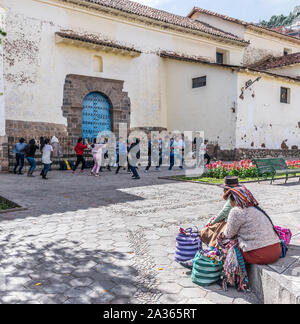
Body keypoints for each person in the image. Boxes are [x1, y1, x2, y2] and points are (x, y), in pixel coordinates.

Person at [222, 186, 281, 265]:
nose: (230, 203)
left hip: (259, 255)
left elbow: (228, 234)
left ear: (234, 200)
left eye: (230, 201)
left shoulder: (236, 211)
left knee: (224, 242)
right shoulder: (256, 208)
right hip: (276, 251)